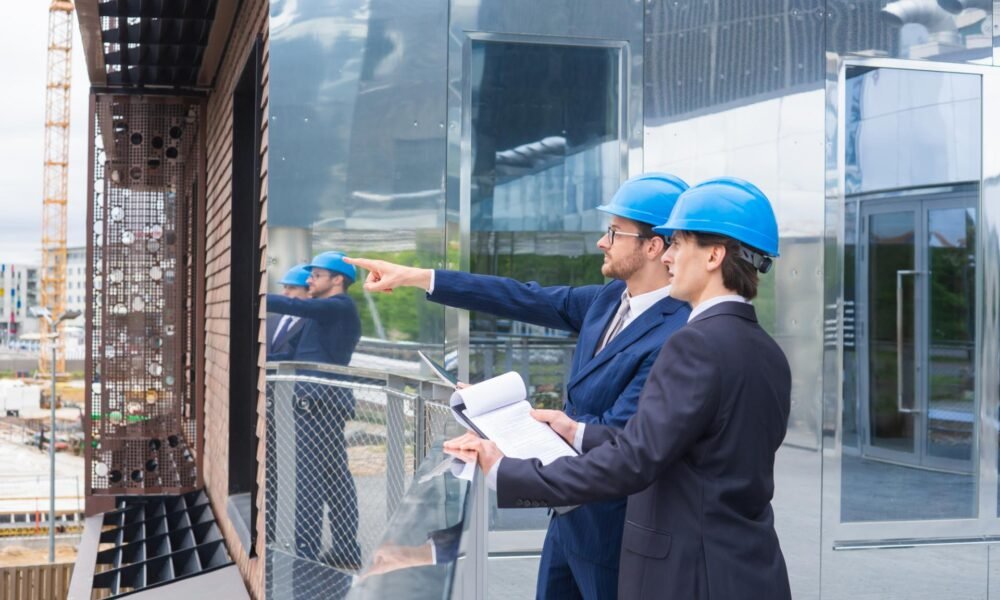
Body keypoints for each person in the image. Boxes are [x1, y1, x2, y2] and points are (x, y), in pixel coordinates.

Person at [347, 173, 691, 600]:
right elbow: (520, 296)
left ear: (653, 246)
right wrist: (419, 277)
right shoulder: (606, 300)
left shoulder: (678, 334)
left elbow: (620, 438)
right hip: (566, 521)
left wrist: (509, 425)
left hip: (613, 529)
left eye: (613, 232)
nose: (602, 242)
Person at [446, 177, 792, 600]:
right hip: (750, 570)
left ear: (714, 256)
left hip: (691, 573)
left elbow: (634, 460)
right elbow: (685, 445)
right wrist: (578, 431)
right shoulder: (766, 349)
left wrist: (506, 470)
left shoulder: (694, 343)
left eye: (679, 244)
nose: (669, 257)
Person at [266, 251, 362, 598]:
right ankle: (345, 548)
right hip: (320, 402)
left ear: (337, 279)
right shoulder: (327, 314)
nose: (309, 281)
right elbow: (295, 357)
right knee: (335, 478)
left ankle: (306, 553)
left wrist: (256, 297)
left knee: (310, 480)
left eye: (316, 275)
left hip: (317, 404)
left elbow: (302, 307)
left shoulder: (339, 306)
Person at [266, 264, 311, 361]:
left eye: (292, 288)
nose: (284, 293)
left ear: (310, 292)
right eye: (285, 287)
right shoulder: (269, 321)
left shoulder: (312, 324)